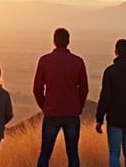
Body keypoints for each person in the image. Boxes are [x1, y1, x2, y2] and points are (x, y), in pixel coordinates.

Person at [33, 27, 89, 167]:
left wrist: (44, 106)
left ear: (54, 41)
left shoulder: (45, 61)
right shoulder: (78, 61)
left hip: (52, 112)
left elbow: (37, 89)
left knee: (45, 153)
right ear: (68, 41)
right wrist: (78, 106)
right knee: (73, 154)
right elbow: (84, 89)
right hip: (71, 113)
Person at [95, 39, 126, 167]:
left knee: (114, 152)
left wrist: (99, 118)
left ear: (116, 51)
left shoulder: (110, 71)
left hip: (114, 117)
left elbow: (105, 97)